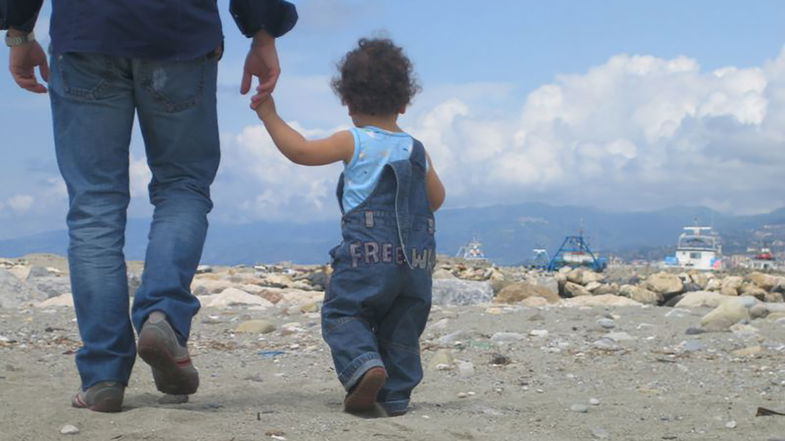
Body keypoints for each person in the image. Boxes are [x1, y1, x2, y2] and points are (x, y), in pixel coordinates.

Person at [1, 0, 297, 412]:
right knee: (183, 187)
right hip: (179, 33)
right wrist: (262, 31)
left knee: (94, 206)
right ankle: (163, 317)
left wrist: (19, 30)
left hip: (87, 32)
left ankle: (103, 375)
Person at [255, 38, 446, 417]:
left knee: (344, 313)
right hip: (417, 265)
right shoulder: (417, 149)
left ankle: (363, 365)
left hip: (367, 258)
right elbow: (436, 199)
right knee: (402, 327)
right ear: (405, 103)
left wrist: (269, 116)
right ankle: (394, 396)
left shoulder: (352, 141)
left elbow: (301, 152)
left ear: (349, 102)